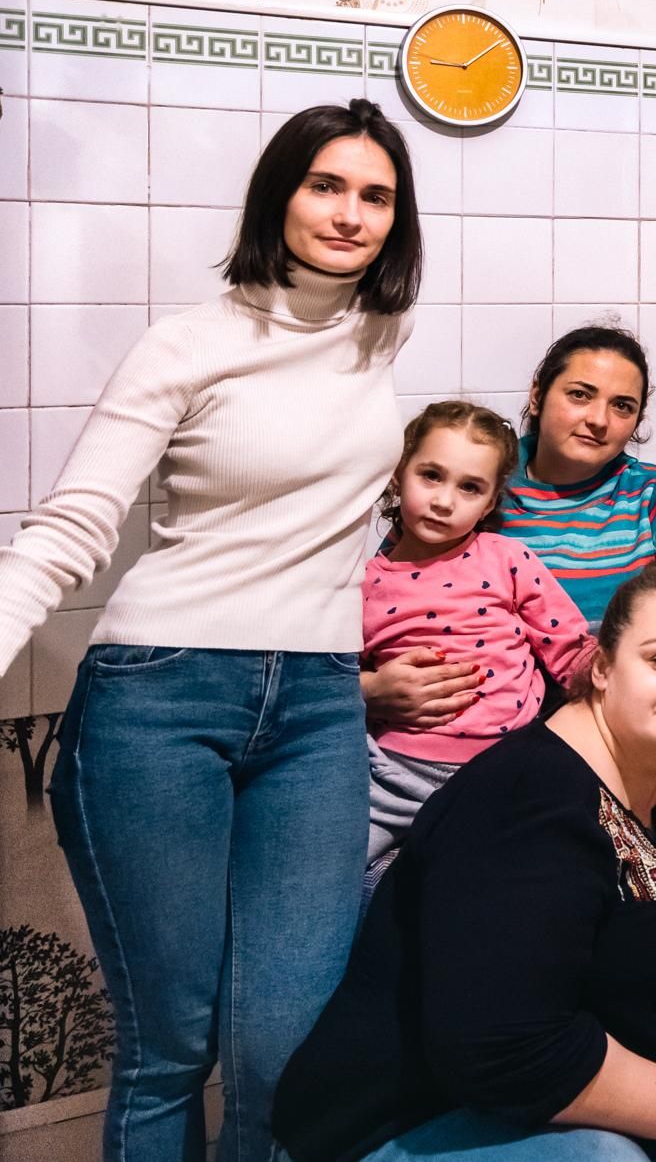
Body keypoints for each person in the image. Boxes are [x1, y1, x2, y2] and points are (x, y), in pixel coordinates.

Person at [0, 99, 421, 1160]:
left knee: (286, 1043)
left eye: (375, 194)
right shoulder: (187, 342)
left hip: (320, 709)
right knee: (169, 1044)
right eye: (326, 183)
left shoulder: (380, 338)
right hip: (161, 694)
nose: (349, 211)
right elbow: (73, 525)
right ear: (278, 192)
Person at [273, 565, 656, 1162]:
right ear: (600, 666)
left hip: (615, 1038)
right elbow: (503, 1047)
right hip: (414, 1109)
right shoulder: (525, 805)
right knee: (609, 1159)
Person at [362, 324, 656, 732]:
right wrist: (370, 691)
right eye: (580, 394)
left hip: (619, 731)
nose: (598, 420)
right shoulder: (473, 480)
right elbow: (385, 607)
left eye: (622, 406)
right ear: (537, 395)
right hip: (465, 738)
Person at [361, 401, 594, 866]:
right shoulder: (362, 582)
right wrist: (366, 688)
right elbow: (324, 680)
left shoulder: (507, 558)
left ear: (490, 503)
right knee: (332, 884)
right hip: (393, 776)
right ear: (397, 473)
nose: (445, 500)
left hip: (504, 769)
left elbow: (572, 652)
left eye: (470, 488)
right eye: (430, 475)